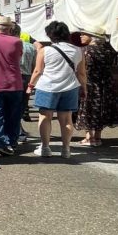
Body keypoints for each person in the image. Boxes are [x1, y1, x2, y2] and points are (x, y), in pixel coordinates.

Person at [27, 21, 87, 159]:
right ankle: (66, 149)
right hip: (70, 87)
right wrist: (84, 88)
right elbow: (81, 73)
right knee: (66, 119)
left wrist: (30, 86)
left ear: (50, 35)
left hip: (47, 87)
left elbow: (37, 71)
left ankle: (45, 147)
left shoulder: (45, 51)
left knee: (45, 117)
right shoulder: (78, 51)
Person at [0, 16, 24, 156]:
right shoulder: (17, 42)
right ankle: (11, 141)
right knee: (13, 115)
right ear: (10, 28)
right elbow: (18, 58)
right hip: (14, 83)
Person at [75, 29, 118, 147]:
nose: (81, 36)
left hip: (90, 84)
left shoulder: (85, 51)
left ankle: (89, 138)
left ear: (92, 36)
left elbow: (83, 70)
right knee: (100, 109)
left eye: (84, 34)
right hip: (105, 84)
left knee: (87, 109)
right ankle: (97, 137)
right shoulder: (108, 50)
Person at [19, 31, 37, 126]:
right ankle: (25, 114)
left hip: (15, 76)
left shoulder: (11, 45)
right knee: (25, 100)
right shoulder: (31, 47)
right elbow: (35, 66)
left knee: (14, 103)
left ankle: (18, 127)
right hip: (27, 76)